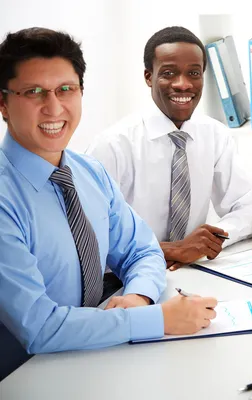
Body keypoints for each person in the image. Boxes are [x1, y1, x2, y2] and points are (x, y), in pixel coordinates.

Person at [0, 28, 217, 381]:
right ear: (3, 102)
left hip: (97, 357)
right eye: (33, 92)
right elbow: (38, 327)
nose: (53, 107)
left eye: (66, 90)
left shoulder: (89, 173)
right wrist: (157, 319)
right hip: (24, 374)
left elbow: (143, 251)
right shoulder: (4, 198)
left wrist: (138, 297)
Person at [87, 26, 252, 272]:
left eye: (194, 73)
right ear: (149, 77)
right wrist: (167, 249)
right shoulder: (113, 145)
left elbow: (248, 205)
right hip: (121, 275)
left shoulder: (215, 135)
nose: (183, 85)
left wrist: (208, 242)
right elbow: (88, 235)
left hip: (192, 269)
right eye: (169, 73)